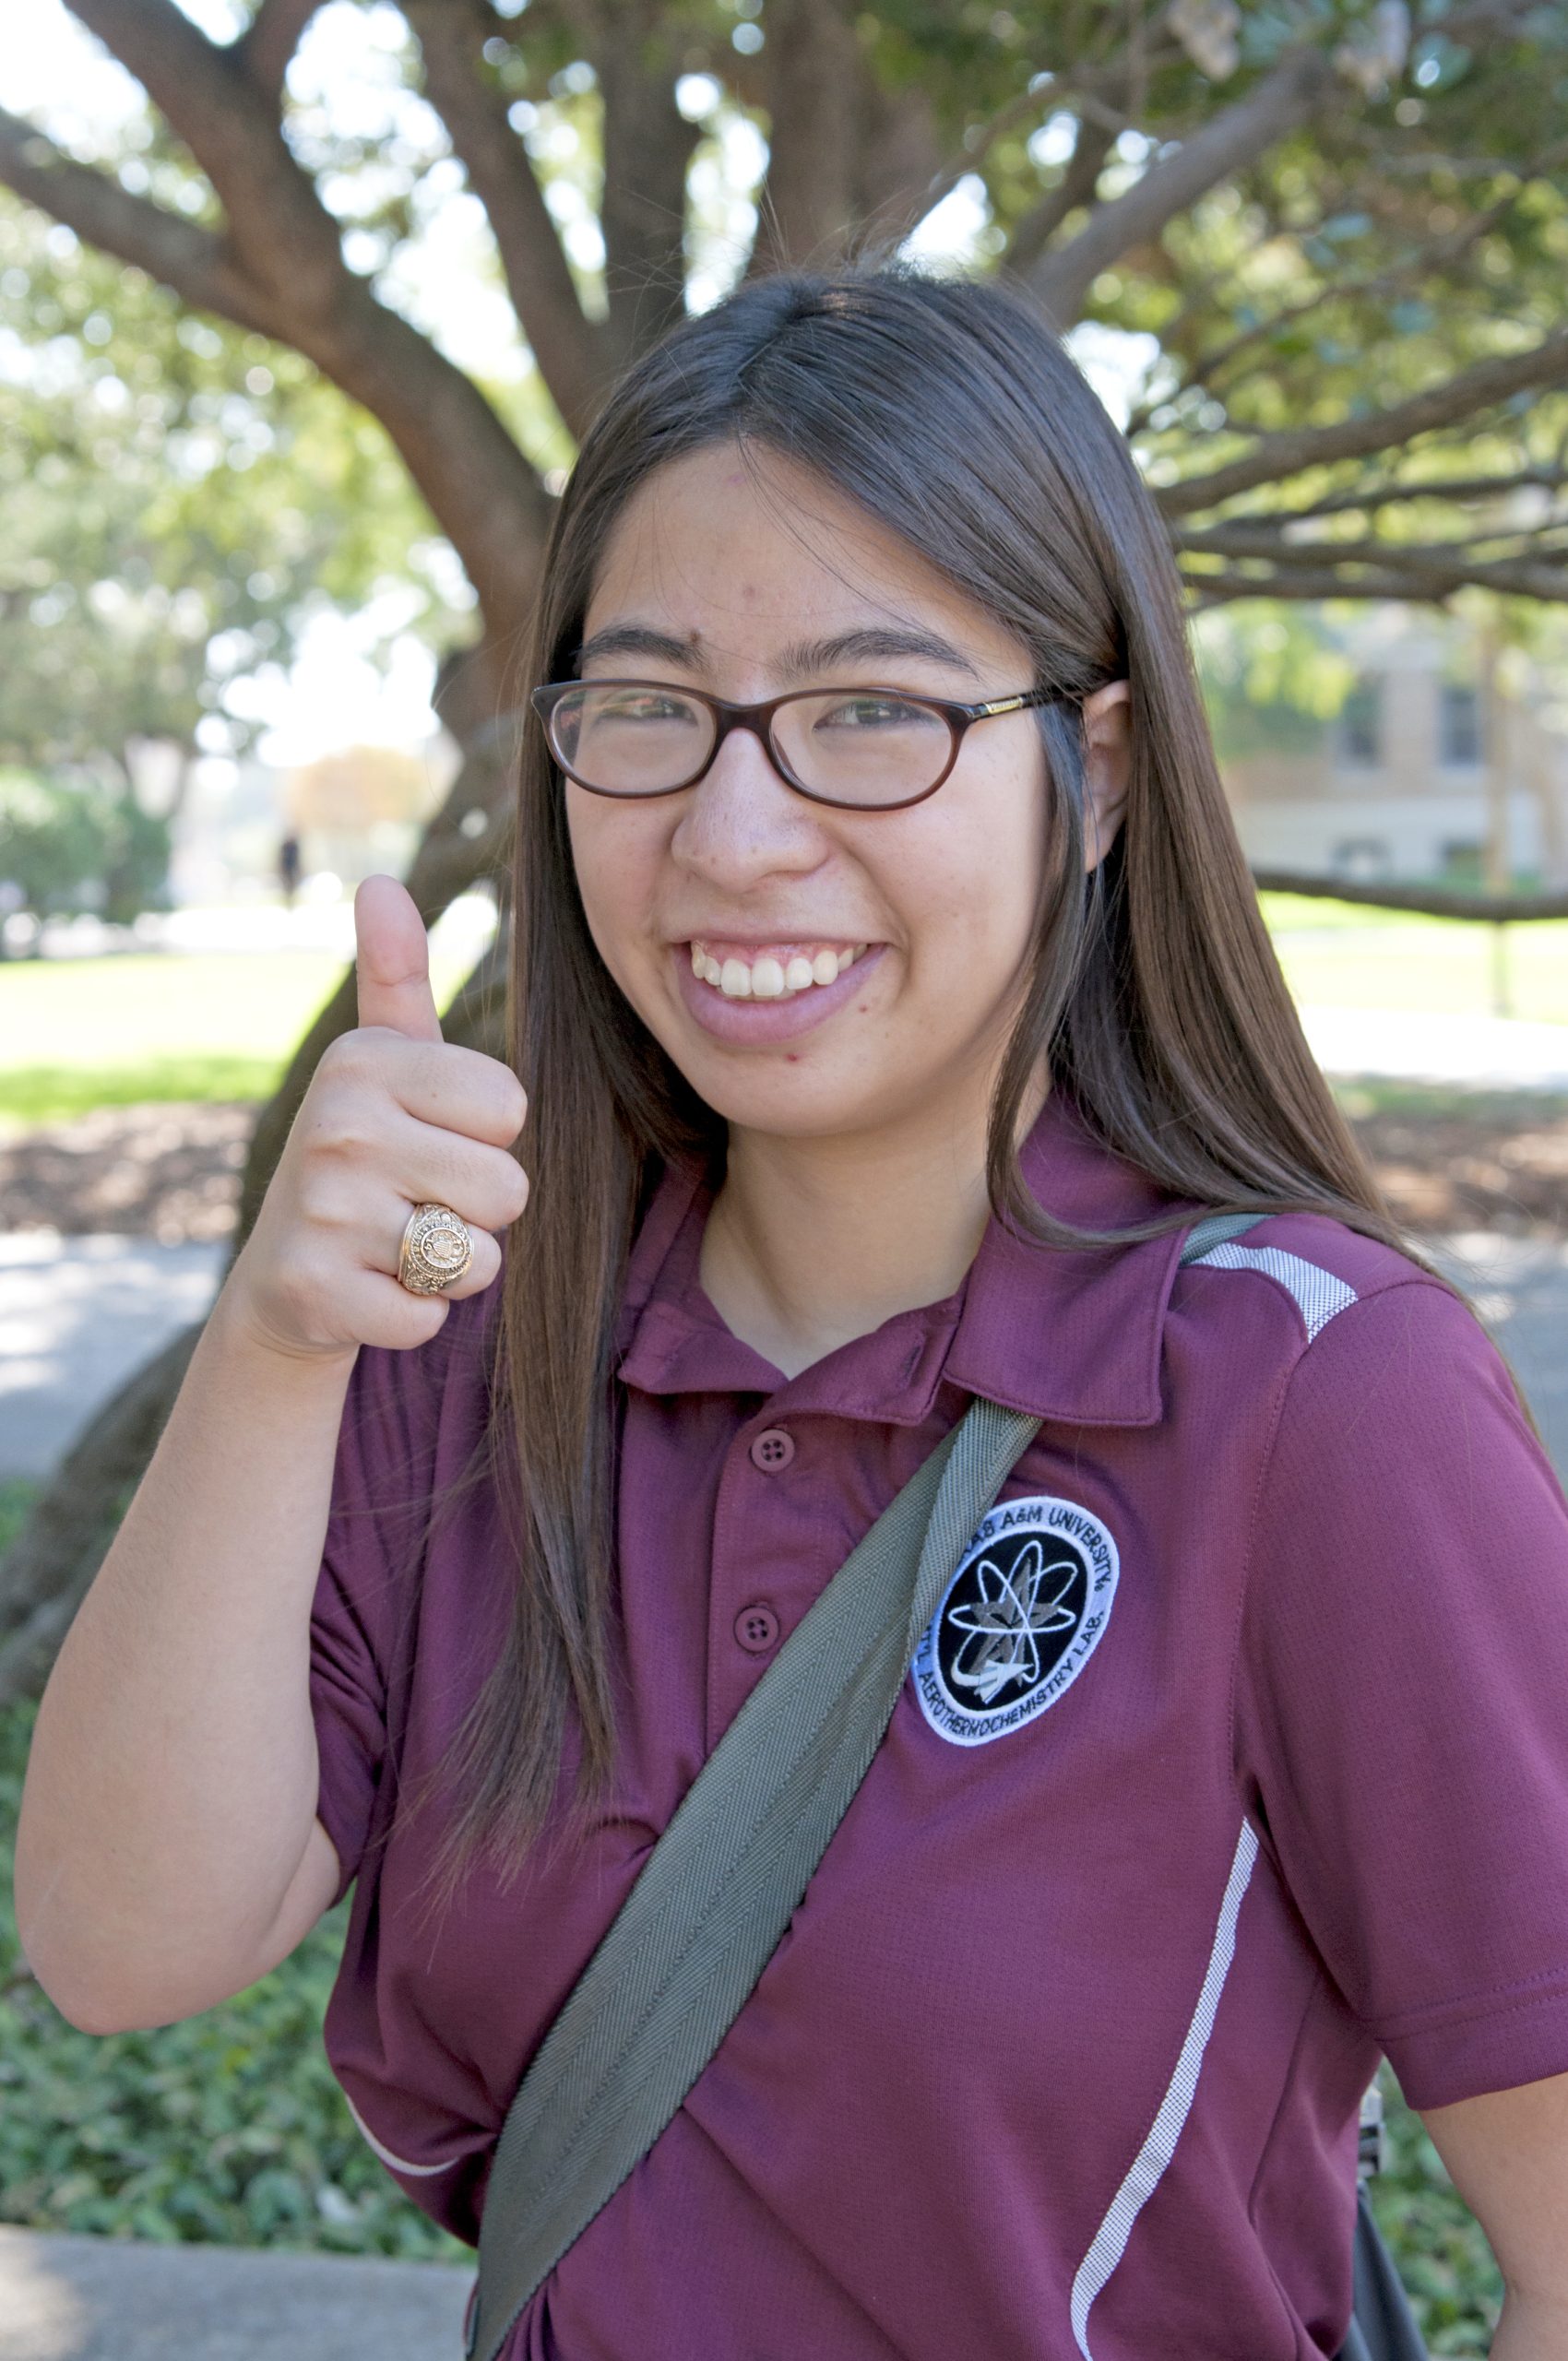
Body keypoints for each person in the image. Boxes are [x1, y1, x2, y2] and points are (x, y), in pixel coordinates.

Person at [17, 267, 1568, 2360]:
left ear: (1093, 769)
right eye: (650, 707)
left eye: (873, 710)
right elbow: (123, 1943)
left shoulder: (1315, 1390)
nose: (736, 837)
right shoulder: (473, 1339)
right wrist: (284, 1340)